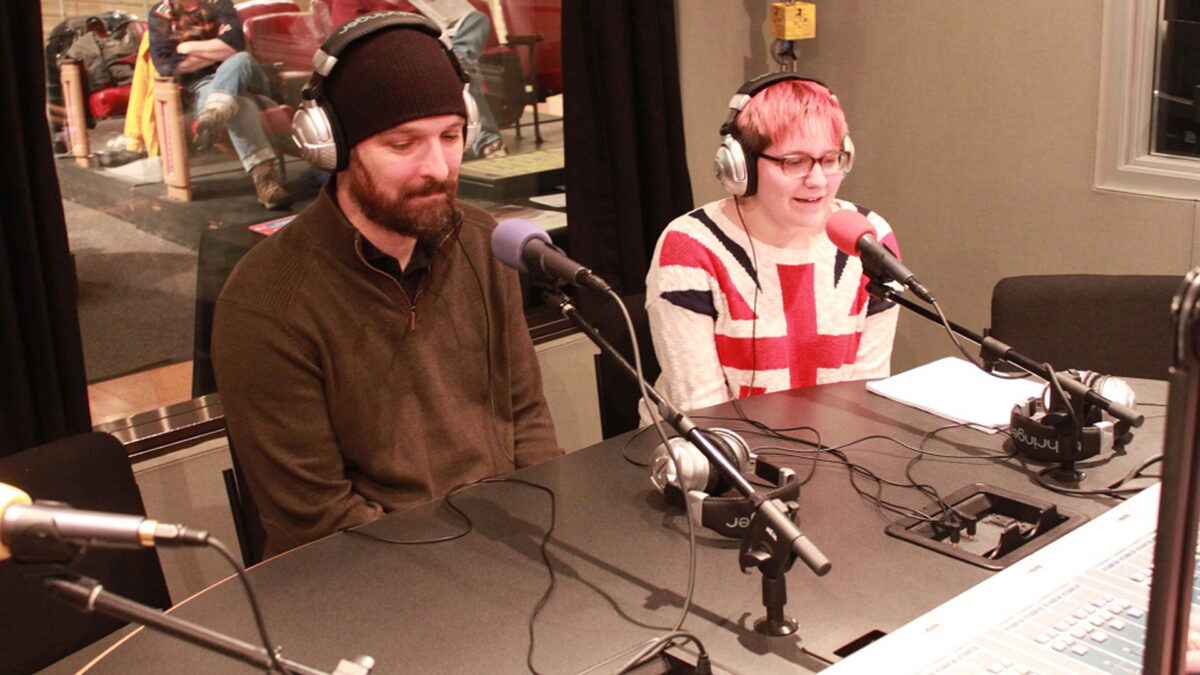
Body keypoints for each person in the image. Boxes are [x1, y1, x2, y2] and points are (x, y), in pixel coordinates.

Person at [212, 17, 561, 558]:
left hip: (507, 548)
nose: (437, 167)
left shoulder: (484, 243)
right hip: (368, 575)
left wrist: (548, 529)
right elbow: (319, 521)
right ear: (334, 148)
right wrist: (477, 568)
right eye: (403, 144)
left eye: (450, 136)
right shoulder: (265, 304)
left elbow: (528, 420)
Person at [643, 73, 900, 419]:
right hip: (711, 442)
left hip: (834, 441)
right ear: (741, 165)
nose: (818, 181)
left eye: (829, 159)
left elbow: (864, 395)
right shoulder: (691, 246)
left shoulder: (869, 239)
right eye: (794, 162)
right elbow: (703, 411)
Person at [147, 0, 291, 209]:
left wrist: (188, 47)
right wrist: (219, 51)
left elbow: (235, 45)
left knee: (240, 59)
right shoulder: (162, 13)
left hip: (245, 79)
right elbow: (165, 64)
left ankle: (215, 114)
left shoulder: (219, 3)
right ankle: (266, 184)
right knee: (241, 107)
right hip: (203, 86)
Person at [329, 0, 508, 159]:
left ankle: (454, 62)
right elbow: (350, 37)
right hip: (389, 54)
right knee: (461, 74)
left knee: (477, 19)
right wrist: (390, 5)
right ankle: (454, 66)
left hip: (430, 46)